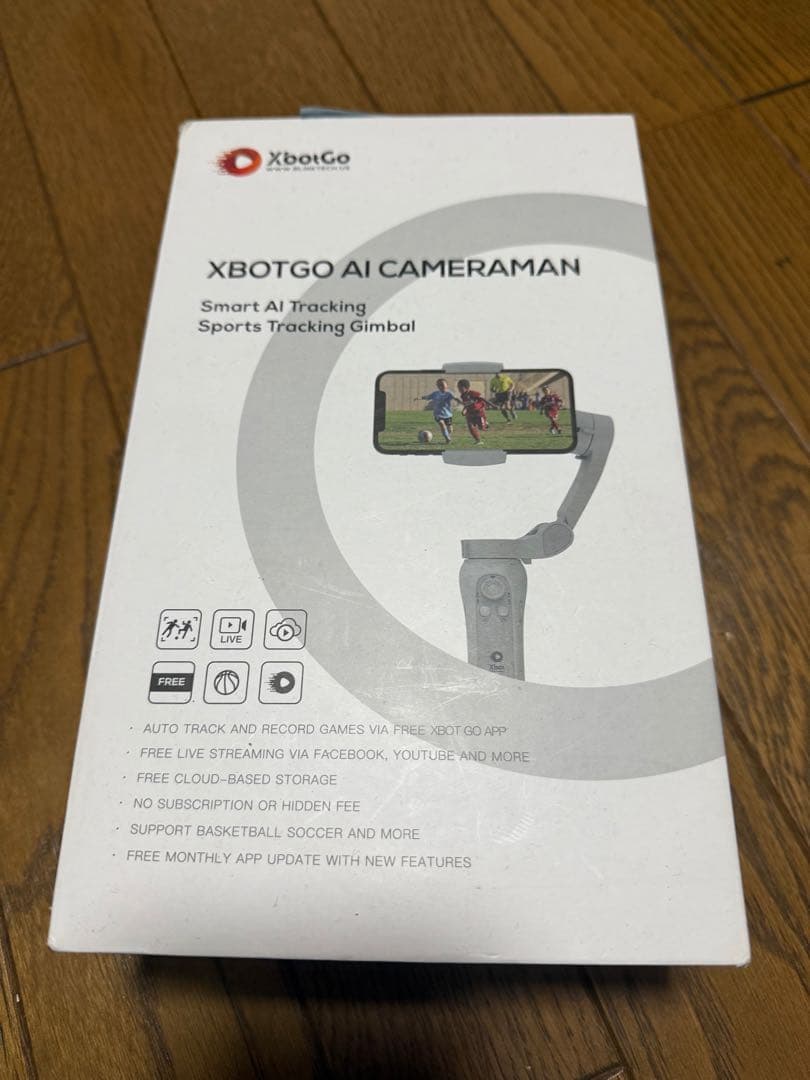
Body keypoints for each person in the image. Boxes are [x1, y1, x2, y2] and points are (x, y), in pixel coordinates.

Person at [417, 377, 455, 442]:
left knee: (450, 429)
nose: (441, 386)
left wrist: (462, 403)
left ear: (447, 385)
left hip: (447, 414)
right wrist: (420, 397)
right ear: (437, 386)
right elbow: (428, 397)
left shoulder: (449, 393)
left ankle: (447, 434)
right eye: (439, 385)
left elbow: (456, 398)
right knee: (441, 424)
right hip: (438, 414)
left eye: (442, 384)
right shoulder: (435, 393)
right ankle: (447, 438)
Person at [456, 379, 490, 444]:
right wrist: (464, 410)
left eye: (460, 388)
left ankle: (485, 424)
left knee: (481, 428)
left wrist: (492, 405)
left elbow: (482, 399)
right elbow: (466, 404)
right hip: (469, 412)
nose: (459, 389)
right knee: (470, 426)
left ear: (466, 387)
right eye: (458, 388)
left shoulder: (473, 393)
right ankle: (478, 441)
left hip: (479, 412)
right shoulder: (462, 395)